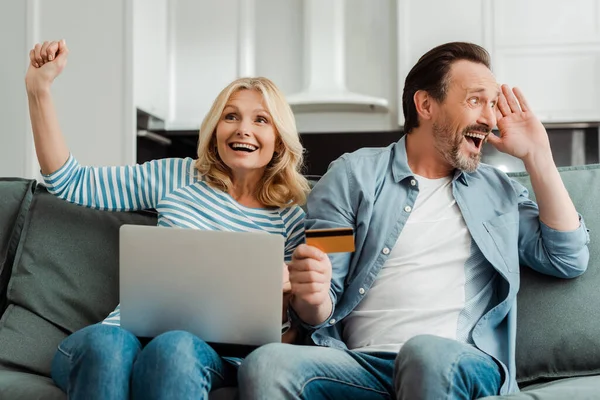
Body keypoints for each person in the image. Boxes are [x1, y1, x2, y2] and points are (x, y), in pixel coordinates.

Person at [237, 42, 590, 399]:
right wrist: (312, 297)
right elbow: (325, 291)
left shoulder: (497, 191)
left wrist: (538, 155)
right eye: (475, 101)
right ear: (426, 105)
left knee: (425, 352)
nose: (490, 118)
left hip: (457, 362)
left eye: (493, 103)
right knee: (267, 364)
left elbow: (567, 257)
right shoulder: (354, 178)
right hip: (362, 368)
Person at [25, 39, 310, 400]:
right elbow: (69, 181)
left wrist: (282, 299)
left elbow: (288, 337)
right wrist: (39, 91)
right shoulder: (178, 177)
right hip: (117, 339)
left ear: (279, 141)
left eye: (261, 120)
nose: (243, 129)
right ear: (215, 128)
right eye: (231, 116)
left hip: (206, 356)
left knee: (175, 347)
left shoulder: (290, 221)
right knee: (108, 345)